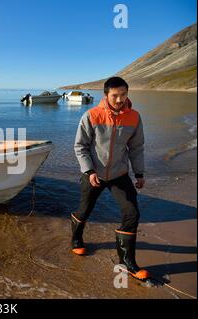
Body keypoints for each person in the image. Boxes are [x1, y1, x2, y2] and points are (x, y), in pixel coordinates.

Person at [72, 76, 149, 280]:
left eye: (123, 95)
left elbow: (136, 148)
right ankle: (76, 238)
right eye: (115, 95)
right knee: (84, 209)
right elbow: (80, 146)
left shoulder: (134, 117)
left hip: (119, 174)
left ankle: (127, 262)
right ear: (106, 95)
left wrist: (139, 173)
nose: (119, 99)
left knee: (132, 213)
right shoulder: (91, 115)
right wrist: (89, 171)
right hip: (94, 174)